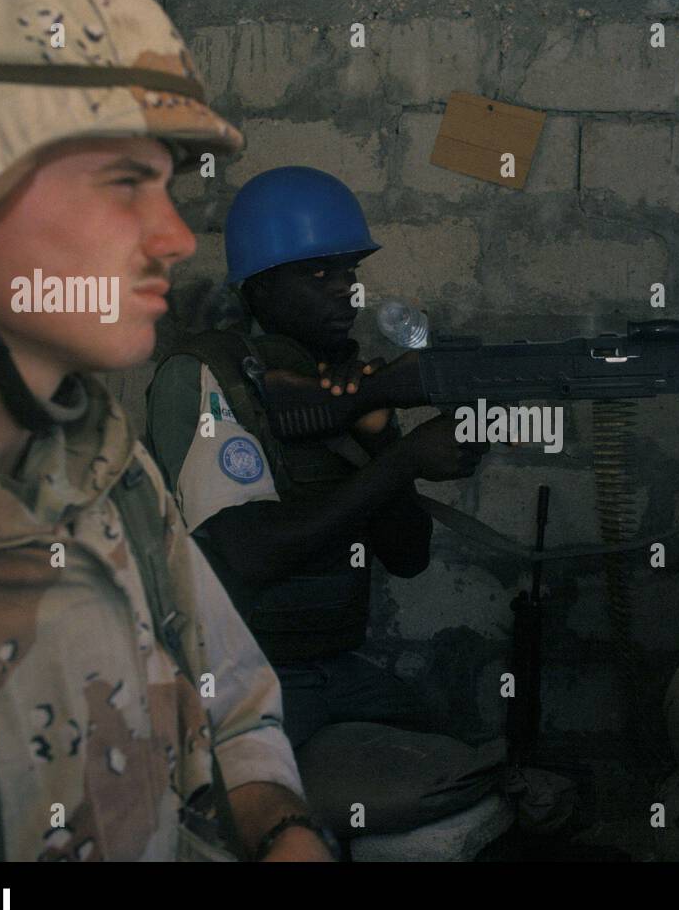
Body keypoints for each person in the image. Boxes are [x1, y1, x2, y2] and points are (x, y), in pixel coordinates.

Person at [0, 0, 332, 861]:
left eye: (167, 183)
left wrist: (281, 829)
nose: (176, 237)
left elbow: (232, 708)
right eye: (123, 182)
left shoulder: (109, 471)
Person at [145, 166, 503, 839]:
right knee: (243, 816)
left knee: (467, 759)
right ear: (259, 285)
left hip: (334, 666)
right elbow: (248, 551)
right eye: (316, 272)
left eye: (348, 268)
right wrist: (401, 458)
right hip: (238, 676)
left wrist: (381, 432)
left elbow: (407, 556)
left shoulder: (338, 382)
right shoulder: (208, 376)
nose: (345, 286)